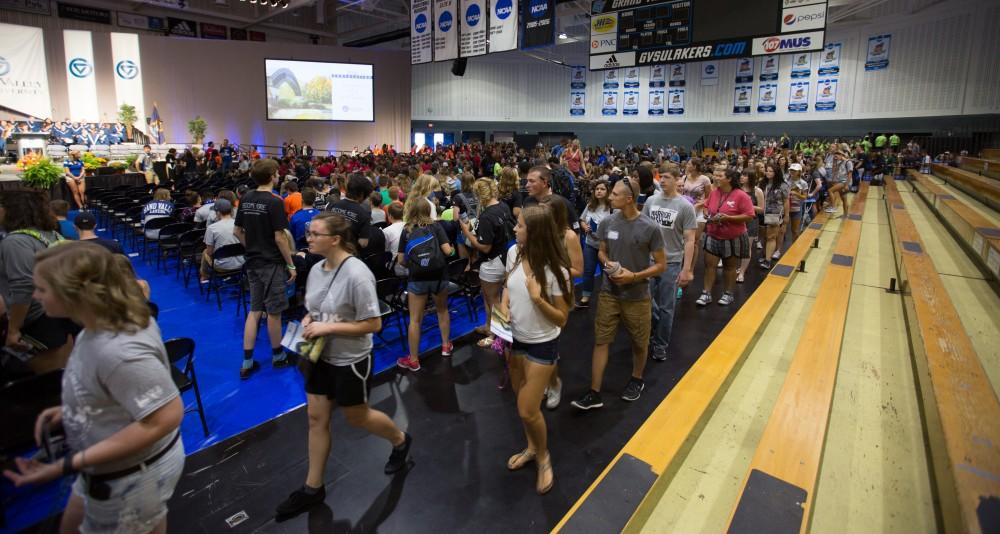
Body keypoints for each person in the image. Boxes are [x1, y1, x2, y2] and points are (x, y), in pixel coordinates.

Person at [3, 243, 184, 534]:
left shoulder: (119, 350)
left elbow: (166, 415)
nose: (35, 296)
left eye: (42, 289)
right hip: (115, 472)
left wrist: (69, 464)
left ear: (73, 294)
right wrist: (76, 409)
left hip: (130, 476)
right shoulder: (99, 325)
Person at [274, 212, 412, 517]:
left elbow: (374, 324)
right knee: (315, 418)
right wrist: (311, 318)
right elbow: (315, 306)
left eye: (314, 234)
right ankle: (313, 487)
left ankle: (400, 440)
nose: (307, 238)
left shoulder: (357, 274)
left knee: (357, 417)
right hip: (320, 356)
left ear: (334, 239)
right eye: (308, 233)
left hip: (351, 359)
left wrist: (327, 328)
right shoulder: (316, 269)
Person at [571, 178, 666, 410]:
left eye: (614, 194)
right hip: (608, 293)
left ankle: (637, 379)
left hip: (637, 296)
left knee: (639, 342)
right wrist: (609, 264)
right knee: (601, 340)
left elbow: (661, 265)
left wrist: (633, 276)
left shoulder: (650, 228)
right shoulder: (607, 223)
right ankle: (595, 392)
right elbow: (601, 251)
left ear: (629, 198)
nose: (609, 197)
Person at [499, 204, 572, 495]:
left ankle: (544, 458)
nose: (515, 229)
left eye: (519, 226)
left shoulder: (557, 271)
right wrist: (503, 308)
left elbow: (562, 318)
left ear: (535, 232)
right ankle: (532, 447)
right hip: (514, 340)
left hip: (543, 342)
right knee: (523, 404)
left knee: (528, 410)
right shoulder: (513, 254)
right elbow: (507, 286)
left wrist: (538, 299)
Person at [0, 191, 77, 374]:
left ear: (12, 211)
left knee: (45, 386)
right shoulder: (51, 235)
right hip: (60, 316)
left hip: (36, 323)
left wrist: (13, 329)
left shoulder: (16, 241)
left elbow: (24, 287)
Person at [234, 159, 297, 379]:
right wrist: (290, 264)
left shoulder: (246, 198)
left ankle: (247, 360)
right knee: (274, 312)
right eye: (277, 173)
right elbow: (280, 237)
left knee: (255, 310)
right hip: (271, 263)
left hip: (253, 261)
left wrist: (252, 247)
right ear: (272, 176)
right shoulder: (274, 201)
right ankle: (278, 356)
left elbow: (237, 231)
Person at [642, 165, 697, 361]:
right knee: (646, 302)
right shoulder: (651, 201)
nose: (662, 180)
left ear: (676, 179)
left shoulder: (684, 206)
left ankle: (660, 344)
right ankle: (654, 329)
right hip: (649, 261)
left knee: (667, 307)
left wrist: (687, 269)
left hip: (671, 262)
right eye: (660, 177)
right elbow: (644, 230)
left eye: (666, 177)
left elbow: (690, 240)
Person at [396, 199, 454, 371]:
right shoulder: (436, 227)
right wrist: (450, 249)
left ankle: (413, 360)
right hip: (439, 276)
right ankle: (445, 346)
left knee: (415, 319)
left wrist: (416, 265)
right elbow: (447, 251)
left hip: (417, 279)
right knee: (442, 311)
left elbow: (400, 260)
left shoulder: (406, 230)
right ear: (429, 210)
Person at [458, 178, 513, 348]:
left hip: (493, 261)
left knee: (494, 300)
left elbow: (485, 247)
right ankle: (490, 327)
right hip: (505, 257)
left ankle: (498, 337)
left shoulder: (487, 216)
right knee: (489, 298)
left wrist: (467, 233)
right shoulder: (503, 206)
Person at [695, 169, 755, 306]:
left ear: (729, 179)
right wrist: (706, 214)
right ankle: (706, 293)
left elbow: (750, 216)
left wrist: (728, 218)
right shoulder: (714, 192)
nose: (715, 177)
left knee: (730, 267)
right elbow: (706, 206)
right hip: (713, 234)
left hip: (733, 237)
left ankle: (728, 293)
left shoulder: (741, 195)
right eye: (715, 175)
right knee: (709, 265)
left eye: (719, 175)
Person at [578, 179, 612, 307]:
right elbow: (582, 219)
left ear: (608, 191)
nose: (599, 191)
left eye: (602, 189)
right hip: (590, 244)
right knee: (588, 270)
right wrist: (584, 226)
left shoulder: (612, 208)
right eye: (597, 189)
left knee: (607, 272)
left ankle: (607, 297)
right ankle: (585, 296)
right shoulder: (590, 205)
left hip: (606, 246)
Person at [200, 199, 244, 283]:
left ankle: (204, 277)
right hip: (242, 264)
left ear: (218, 212)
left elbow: (209, 252)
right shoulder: (240, 224)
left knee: (205, 252)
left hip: (222, 267)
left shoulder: (212, 228)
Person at [736, 169, 765, 284]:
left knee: (747, 247)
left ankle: (742, 272)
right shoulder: (737, 189)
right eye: (742, 175)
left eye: (745, 175)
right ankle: (740, 266)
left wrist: (747, 206)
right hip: (738, 220)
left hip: (751, 221)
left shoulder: (757, 191)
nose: (742, 177)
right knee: (737, 246)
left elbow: (761, 209)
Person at [760, 164, 789, 270]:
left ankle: (768, 260)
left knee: (771, 237)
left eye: (770, 171)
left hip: (775, 213)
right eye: (767, 170)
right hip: (761, 213)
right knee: (764, 236)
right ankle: (765, 255)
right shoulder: (762, 183)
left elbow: (786, 201)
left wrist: (786, 215)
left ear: (776, 173)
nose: (768, 172)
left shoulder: (783, 185)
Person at [382, 201, 407, 277]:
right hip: (409, 263)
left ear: (390, 216)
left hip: (395, 266)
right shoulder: (409, 226)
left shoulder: (386, 231)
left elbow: (385, 251)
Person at [788, 163, 809, 237]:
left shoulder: (803, 183)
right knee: (782, 231)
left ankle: (794, 247)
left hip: (796, 209)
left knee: (795, 230)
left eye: (794, 170)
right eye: (791, 170)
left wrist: (796, 194)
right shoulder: (785, 181)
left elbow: (805, 197)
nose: (792, 172)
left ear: (799, 172)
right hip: (785, 208)